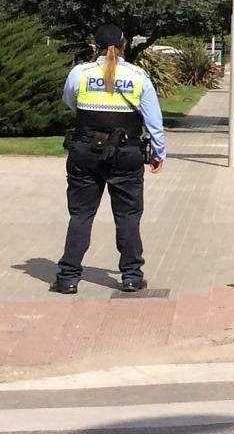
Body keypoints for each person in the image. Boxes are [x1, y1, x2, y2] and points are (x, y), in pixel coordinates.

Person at [51, 24, 166, 295]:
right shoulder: (139, 76)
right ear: (124, 45)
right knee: (127, 216)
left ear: (96, 46)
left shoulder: (80, 73)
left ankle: (68, 277)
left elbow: (71, 101)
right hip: (126, 154)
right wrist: (158, 154)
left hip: (84, 152)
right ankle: (131, 276)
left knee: (80, 215)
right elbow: (154, 123)